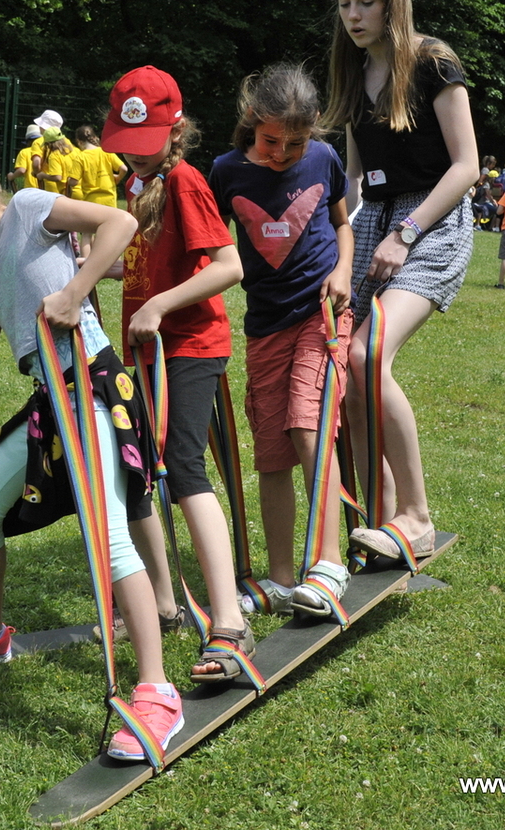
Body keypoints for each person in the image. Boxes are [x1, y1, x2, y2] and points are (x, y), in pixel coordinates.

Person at [0, 143, 182, 760]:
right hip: (51, 401)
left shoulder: (28, 208)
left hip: (95, 388)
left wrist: (76, 290)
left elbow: (119, 223)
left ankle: (157, 692)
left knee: (108, 537)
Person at [324, 0, 481, 562]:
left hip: (432, 223)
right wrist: (329, 242)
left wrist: (406, 233)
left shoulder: (433, 62)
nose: (353, 15)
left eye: (366, 2)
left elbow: (466, 167)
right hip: (374, 223)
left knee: (367, 353)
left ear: (393, 2)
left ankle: (416, 517)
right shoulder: (352, 71)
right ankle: (380, 518)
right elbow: (353, 180)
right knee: (347, 369)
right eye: (345, 3)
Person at [99, 65, 253, 679]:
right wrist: (101, 268)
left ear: (177, 129)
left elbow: (229, 266)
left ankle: (229, 621)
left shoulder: (186, 180)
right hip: (146, 351)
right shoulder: (136, 184)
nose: (135, 154)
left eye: (147, 142)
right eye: (127, 143)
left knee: (185, 468)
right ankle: (163, 606)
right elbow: (149, 263)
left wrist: (160, 305)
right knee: (136, 472)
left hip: (189, 346)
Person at [211, 63, 356, 619]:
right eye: (272, 141)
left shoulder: (324, 158)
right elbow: (209, 243)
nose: (282, 153)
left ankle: (328, 563)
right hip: (264, 325)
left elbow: (342, 224)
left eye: (295, 144)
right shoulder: (226, 172)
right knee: (272, 452)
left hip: (321, 315)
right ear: (253, 119)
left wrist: (343, 270)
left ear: (313, 128)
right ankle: (278, 579)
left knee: (307, 426)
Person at [75, 124, 122, 207]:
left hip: (91, 200)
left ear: (79, 142)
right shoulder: (106, 151)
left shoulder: (80, 157)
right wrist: (118, 178)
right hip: (109, 199)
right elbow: (124, 169)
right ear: (94, 138)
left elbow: (74, 181)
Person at [10, 124, 44, 190]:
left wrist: (12, 176)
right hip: (45, 188)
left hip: (30, 189)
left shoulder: (24, 152)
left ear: (28, 141)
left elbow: (21, 170)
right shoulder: (45, 151)